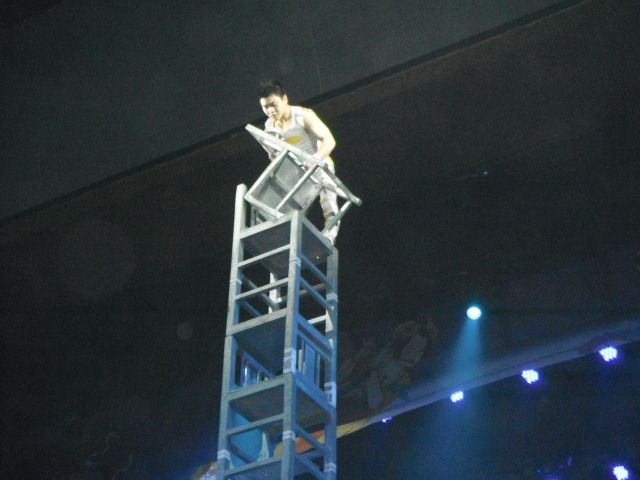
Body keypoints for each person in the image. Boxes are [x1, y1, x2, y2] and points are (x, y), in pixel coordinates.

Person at [257, 80, 340, 244]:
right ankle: (287, 242)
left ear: (285, 99)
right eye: (265, 107)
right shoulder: (269, 127)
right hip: (295, 171)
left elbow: (329, 140)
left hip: (318, 164)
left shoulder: (302, 115)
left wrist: (315, 160)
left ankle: (329, 237)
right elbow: (274, 153)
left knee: (328, 201)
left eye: (273, 105)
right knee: (289, 208)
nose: (270, 111)